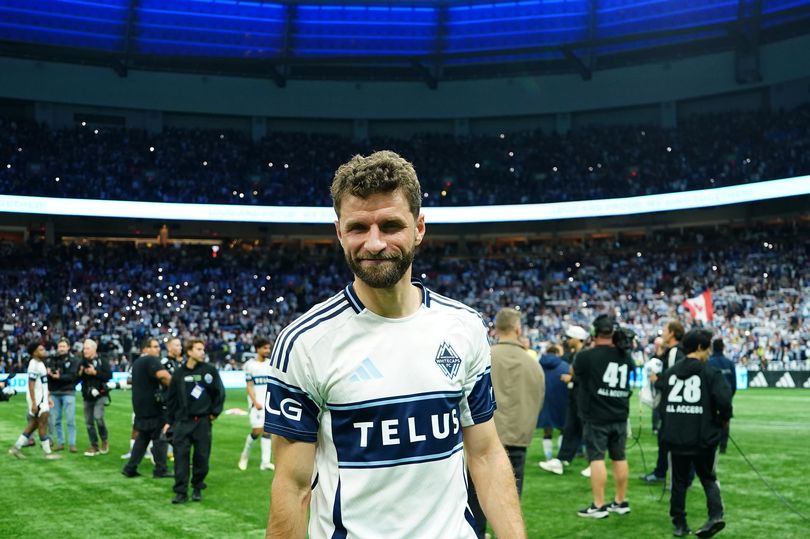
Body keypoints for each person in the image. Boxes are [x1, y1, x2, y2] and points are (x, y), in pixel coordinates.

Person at [265, 151, 526, 538]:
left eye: (390, 225)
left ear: (419, 228)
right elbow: (293, 486)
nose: (373, 243)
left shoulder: (464, 327)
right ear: (339, 232)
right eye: (358, 227)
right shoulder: (305, 343)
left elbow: (485, 454)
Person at [468, 308, 544, 537]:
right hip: (517, 441)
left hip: (481, 441)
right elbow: (537, 401)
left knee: (475, 503)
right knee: (510, 506)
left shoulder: (485, 357)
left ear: (496, 329)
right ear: (518, 329)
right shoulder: (533, 364)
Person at [656, 328, 732, 538]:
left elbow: (661, 407)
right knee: (708, 477)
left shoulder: (670, 373)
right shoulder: (710, 372)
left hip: (677, 436)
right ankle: (715, 516)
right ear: (699, 348)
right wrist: (720, 421)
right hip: (703, 437)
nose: (708, 352)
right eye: (706, 347)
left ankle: (680, 524)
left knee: (678, 482)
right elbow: (724, 402)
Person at [574, 314, 634, 519]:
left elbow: (576, 373)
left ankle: (598, 505)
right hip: (619, 414)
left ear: (594, 333)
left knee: (597, 458)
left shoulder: (586, 356)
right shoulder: (626, 355)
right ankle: (620, 501)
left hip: (596, 416)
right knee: (619, 457)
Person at [167, 338, 225, 504]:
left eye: (203, 349)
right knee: (181, 457)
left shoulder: (209, 371)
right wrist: (170, 421)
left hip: (202, 422)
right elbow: (171, 399)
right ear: (189, 352)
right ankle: (181, 491)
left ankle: (197, 486)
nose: (202, 352)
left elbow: (219, 393)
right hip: (182, 422)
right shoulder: (179, 373)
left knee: (201, 457)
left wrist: (214, 413)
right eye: (198, 349)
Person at [539, 325, 589, 476]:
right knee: (570, 429)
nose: (567, 341)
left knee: (587, 432)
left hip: (584, 399)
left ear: (577, 339)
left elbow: (590, 378)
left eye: (569, 338)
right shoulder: (575, 354)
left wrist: (571, 378)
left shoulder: (585, 355)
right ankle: (561, 460)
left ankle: (594, 463)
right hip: (575, 398)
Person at [641, 320, 686, 482]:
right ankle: (663, 472)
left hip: (671, 404)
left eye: (665, 330)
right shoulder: (673, 352)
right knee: (665, 438)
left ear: (672, 333)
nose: (663, 333)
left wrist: (657, 381)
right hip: (671, 404)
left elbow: (673, 378)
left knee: (668, 439)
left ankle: (665, 473)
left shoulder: (675, 353)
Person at [122, 337, 172, 478]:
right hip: (153, 406)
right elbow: (163, 376)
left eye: (158, 346)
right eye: (154, 346)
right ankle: (161, 469)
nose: (158, 349)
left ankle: (130, 468)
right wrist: (178, 387)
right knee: (160, 438)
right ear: (145, 349)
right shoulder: (151, 360)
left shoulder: (137, 363)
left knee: (143, 438)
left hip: (140, 406)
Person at [8, 342, 61, 460]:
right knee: (43, 425)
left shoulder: (39, 363)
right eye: (41, 350)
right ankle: (48, 453)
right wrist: (34, 403)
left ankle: (16, 448)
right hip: (38, 401)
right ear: (34, 352)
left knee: (33, 425)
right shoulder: (34, 365)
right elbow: (31, 385)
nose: (44, 351)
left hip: (41, 399)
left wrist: (48, 397)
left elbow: (42, 384)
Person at [238, 336, 275, 471]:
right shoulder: (250, 365)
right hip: (256, 404)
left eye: (269, 348)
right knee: (256, 431)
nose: (267, 350)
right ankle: (245, 454)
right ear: (258, 349)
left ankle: (265, 462)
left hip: (269, 404)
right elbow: (249, 386)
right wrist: (255, 402)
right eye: (265, 348)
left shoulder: (270, 364)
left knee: (267, 431)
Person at [78, 338, 112, 457]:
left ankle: (104, 440)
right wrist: (80, 372)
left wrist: (95, 373)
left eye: (87, 348)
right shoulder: (82, 362)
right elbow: (77, 379)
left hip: (100, 394)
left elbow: (109, 376)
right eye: (84, 348)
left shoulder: (102, 361)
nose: (84, 350)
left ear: (94, 349)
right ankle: (94, 445)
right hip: (87, 395)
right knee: (88, 422)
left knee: (98, 417)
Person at [537, 344, 569, 461]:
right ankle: (560, 458)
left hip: (544, 401)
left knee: (547, 430)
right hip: (562, 401)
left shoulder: (538, 365)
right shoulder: (564, 365)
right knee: (563, 429)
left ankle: (548, 457)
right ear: (557, 353)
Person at [47, 337, 79, 453]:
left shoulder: (74, 360)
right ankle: (60, 443)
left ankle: (72, 444)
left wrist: (59, 377)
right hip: (55, 392)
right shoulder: (52, 359)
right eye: (60, 346)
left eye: (63, 346)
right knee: (57, 420)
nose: (61, 349)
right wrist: (49, 375)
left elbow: (72, 376)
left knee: (70, 419)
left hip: (68, 391)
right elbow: (48, 377)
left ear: (68, 347)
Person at [708, 338, 736, 454]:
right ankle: (723, 447)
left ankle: (711, 444)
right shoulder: (729, 363)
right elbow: (734, 384)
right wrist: (730, 396)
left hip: (711, 396)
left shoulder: (709, 363)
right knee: (725, 421)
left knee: (711, 420)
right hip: (726, 396)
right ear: (723, 348)